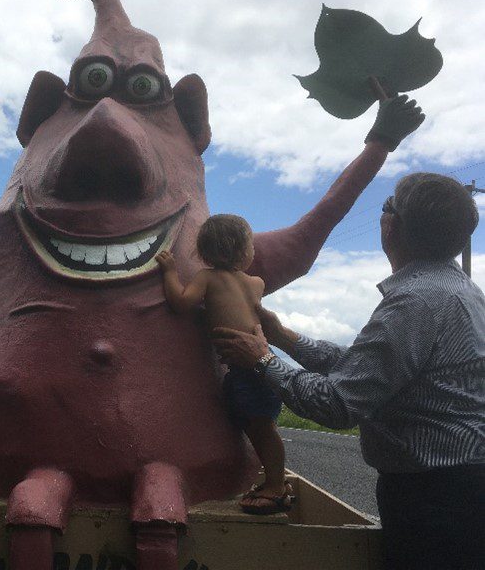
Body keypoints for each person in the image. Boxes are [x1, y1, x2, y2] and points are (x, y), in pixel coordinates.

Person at [213, 172, 484, 569]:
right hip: (458, 490)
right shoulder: (456, 292)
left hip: (436, 500)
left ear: (391, 227)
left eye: (384, 206)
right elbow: (371, 373)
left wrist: (261, 359)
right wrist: (286, 340)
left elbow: (338, 404)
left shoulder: (416, 302)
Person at [155, 214, 293, 515]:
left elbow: (180, 302)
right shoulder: (256, 282)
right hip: (264, 361)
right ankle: (275, 480)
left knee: (262, 429)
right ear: (242, 250)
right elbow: (238, 310)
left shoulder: (207, 278)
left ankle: (276, 485)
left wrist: (169, 271)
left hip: (247, 367)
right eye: (251, 246)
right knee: (260, 427)